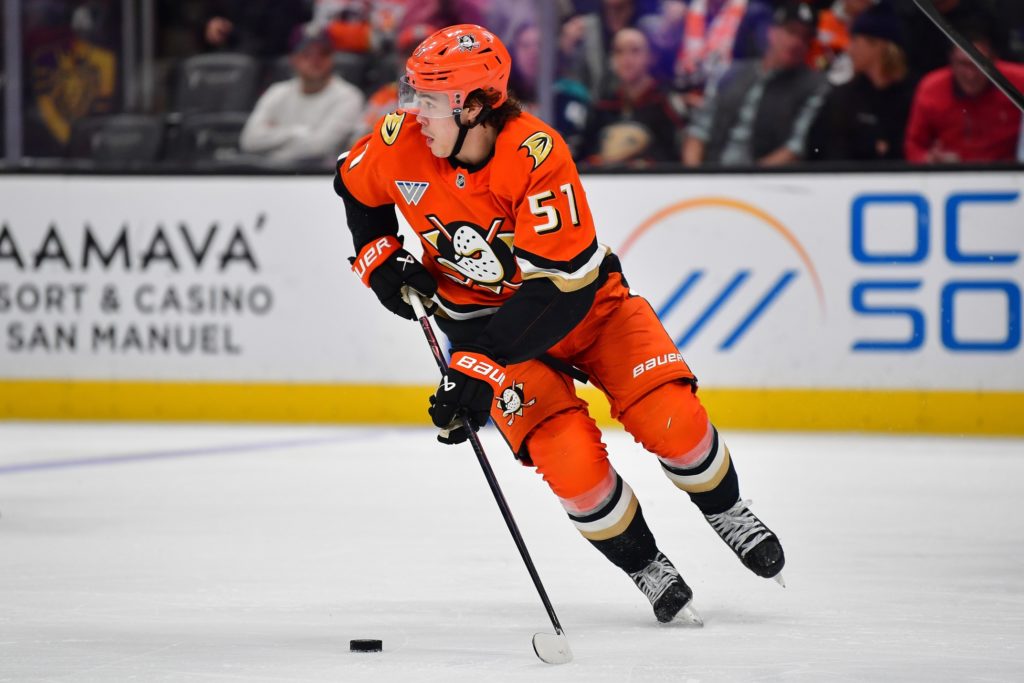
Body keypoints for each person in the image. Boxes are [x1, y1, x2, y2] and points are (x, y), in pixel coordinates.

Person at [335, 24, 786, 625]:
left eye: (432, 100)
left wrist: (476, 365)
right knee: (571, 465)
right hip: (491, 333)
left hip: (587, 312)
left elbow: (559, 292)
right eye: (411, 94)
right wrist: (379, 259)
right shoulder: (404, 143)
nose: (415, 113)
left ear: (475, 105)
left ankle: (725, 509)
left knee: (672, 421)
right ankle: (646, 565)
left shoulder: (536, 154)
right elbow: (353, 186)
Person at [683, 1, 828, 167]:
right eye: (791, 32)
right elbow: (698, 132)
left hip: (767, 183)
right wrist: (695, 175)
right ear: (772, 32)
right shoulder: (731, 72)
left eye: (805, 37)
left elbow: (795, 149)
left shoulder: (814, 86)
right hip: (711, 176)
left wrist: (749, 181)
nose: (796, 42)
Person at [239, 24, 364, 168]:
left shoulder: (349, 96)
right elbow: (249, 140)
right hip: (271, 179)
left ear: (332, 58)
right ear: (293, 59)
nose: (315, 60)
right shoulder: (276, 92)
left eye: (323, 53)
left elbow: (319, 147)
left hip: (320, 179)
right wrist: (298, 133)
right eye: (307, 54)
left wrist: (270, 151)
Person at [808, 1, 913, 161]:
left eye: (856, 41)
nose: (850, 50)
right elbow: (819, 147)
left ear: (878, 45)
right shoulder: (844, 97)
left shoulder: (911, 95)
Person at [904, 23, 1024, 164]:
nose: (970, 75)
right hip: (952, 175)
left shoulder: (1017, 82)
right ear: (951, 61)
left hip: (1009, 175)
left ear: (993, 60)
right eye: (963, 64)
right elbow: (913, 146)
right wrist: (930, 159)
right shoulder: (931, 88)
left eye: (979, 65)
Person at [579, 27, 686, 165]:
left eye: (635, 51)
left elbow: (675, 156)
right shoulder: (602, 105)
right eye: (619, 51)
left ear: (650, 56)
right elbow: (585, 155)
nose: (626, 59)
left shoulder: (665, 103)